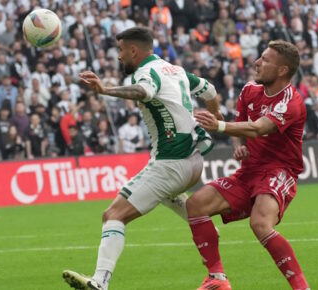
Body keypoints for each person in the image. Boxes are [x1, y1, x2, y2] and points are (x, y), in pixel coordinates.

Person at [62, 27, 223, 290]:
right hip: (193, 160)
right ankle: (204, 226)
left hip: (171, 163)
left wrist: (104, 89)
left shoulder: (145, 72)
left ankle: (99, 283)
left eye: (121, 50)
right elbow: (210, 90)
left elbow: (143, 92)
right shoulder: (175, 69)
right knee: (166, 194)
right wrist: (217, 119)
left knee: (113, 214)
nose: (118, 57)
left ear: (133, 50)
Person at [189, 40, 310, 290]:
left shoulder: (291, 101)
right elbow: (242, 126)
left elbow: (258, 128)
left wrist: (219, 126)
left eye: (265, 60)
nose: (257, 62)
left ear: (282, 71)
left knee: (260, 223)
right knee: (196, 204)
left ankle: (301, 287)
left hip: (279, 170)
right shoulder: (248, 91)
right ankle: (217, 279)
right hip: (250, 171)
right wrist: (237, 145)